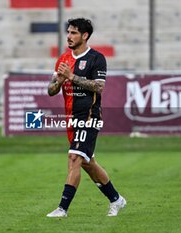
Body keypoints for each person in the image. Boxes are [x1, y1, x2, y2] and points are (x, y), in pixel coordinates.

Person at [46, 18, 126, 218]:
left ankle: (62, 208)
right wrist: (61, 80)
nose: (69, 36)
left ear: (85, 36)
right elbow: (51, 90)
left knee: (74, 158)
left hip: (89, 116)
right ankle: (116, 199)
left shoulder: (96, 58)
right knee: (88, 163)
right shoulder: (64, 59)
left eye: (73, 33)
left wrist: (72, 77)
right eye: (68, 32)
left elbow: (99, 87)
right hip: (71, 118)